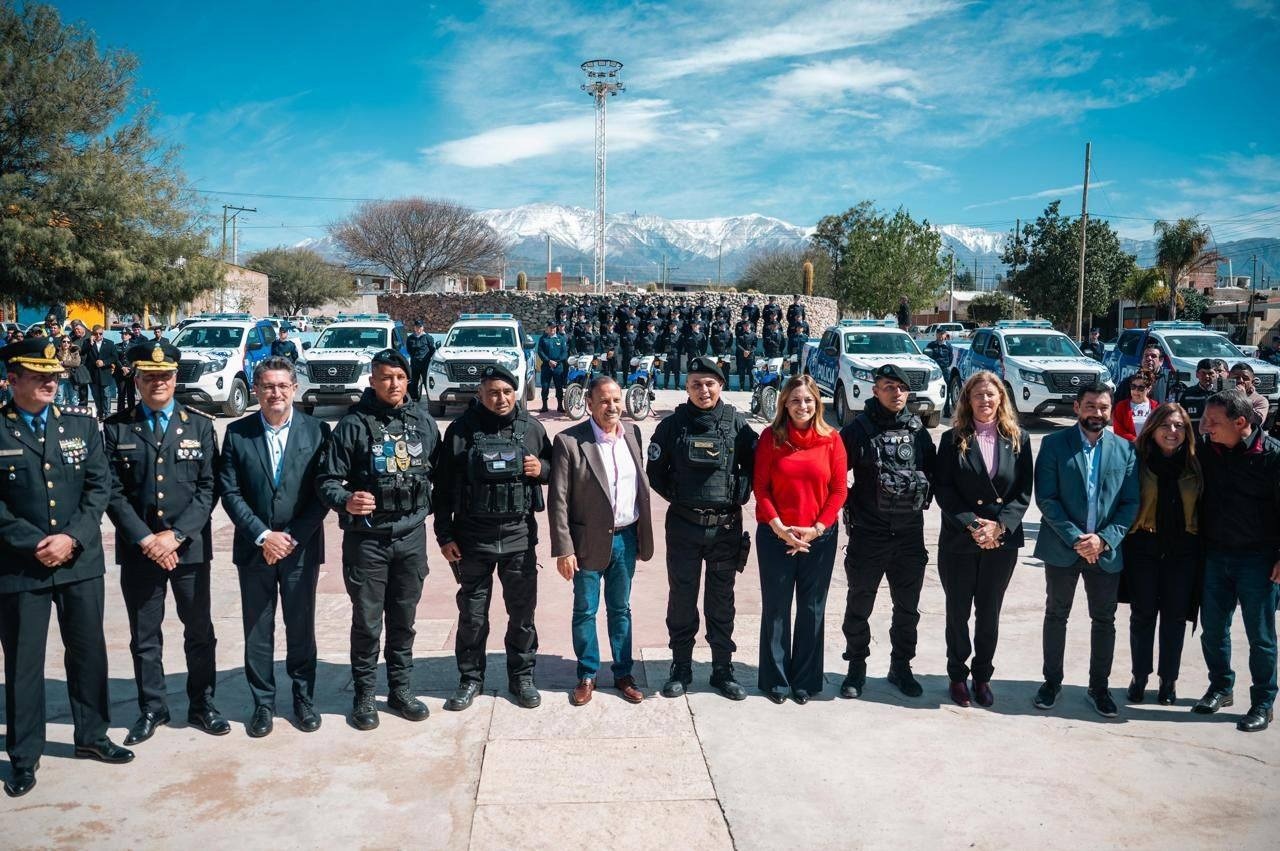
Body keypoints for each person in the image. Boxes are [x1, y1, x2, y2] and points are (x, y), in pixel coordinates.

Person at [0, 339, 132, 798]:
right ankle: (23, 755)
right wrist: (35, 543)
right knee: (23, 664)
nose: (51, 382)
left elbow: (99, 488)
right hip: (21, 567)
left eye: (53, 375)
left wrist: (71, 538)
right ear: (12, 379)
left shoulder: (80, 425)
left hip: (79, 560)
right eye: (39, 376)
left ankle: (92, 736)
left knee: (89, 651)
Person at [103, 340, 226, 745]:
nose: (158, 382)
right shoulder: (117, 427)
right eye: (149, 376)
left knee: (199, 630)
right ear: (136, 380)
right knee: (144, 634)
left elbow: (209, 489)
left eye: (165, 376)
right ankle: (152, 707)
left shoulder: (200, 425)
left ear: (176, 378)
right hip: (140, 551)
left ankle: (202, 703)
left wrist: (174, 536)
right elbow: (112, 492)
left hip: (188, 548)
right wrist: (146, 539)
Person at [316, 348, 442, 730]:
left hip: (410, 536)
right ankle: (365, 695)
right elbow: (327, 481)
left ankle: (401, 690)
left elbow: (439, 471)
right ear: (372, 381)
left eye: (399, 377)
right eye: (385, 377)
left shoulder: (422, 421)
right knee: (368, 622)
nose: (393, 384)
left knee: (404, 620)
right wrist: (347, 500)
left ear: (408, 380)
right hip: (367, 541)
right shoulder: (352, 425)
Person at [218, 357, 332, 737]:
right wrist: (264, 536)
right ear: (256, 390)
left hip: (300, 548)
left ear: (295, 388)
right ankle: (263, 704)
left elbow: (322, 493)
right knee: (258, 629)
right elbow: (230, 492)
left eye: (283, 386)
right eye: (268, 386)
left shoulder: (317, 431)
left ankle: (303, 699)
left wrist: (291, 537)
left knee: (300, 627)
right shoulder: (237, 433)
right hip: (255, 549)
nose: (276, 393)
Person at [434, 365, 552, 712]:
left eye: (506, 392)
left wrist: (540, 470)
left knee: (522, 614)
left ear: (516, 393)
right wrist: (444, 535)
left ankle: (522, 677)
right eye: (492, 393)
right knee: (472, 615)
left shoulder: (531, 429)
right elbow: (442, 488)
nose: (500, 399)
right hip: (472, 541)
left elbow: (556, 468)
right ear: (480, 395)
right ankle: (470, 679)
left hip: (518, 539)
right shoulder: (460, 431)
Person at [647, 358, 757, 701]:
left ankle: (722, 669)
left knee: (721, 600)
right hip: (683, 526)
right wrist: (680, 498)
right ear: (687, 387)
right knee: (681, 598)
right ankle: (681, 667)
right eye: (696, 384)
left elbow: (756, 466)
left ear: (721, 386)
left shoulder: (737, 425)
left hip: (724, 528)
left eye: (709, 383)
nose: (703, 390)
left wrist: (739, 493)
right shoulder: (673, 425)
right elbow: (655, 471)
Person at [1032, 383, 1138, 718]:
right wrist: (1078, 539)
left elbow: (1130, 503)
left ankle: (1099, 687)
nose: (1097, 413)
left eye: (1103, 407)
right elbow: (1046, 499)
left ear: (1111, 410)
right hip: (1063, 547)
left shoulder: (1125, 450)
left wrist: (1103, 540)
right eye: (1090, 406)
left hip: (1105, 551)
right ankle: (1052, 682)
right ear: (1077, 407)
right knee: (1056, 615)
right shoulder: (1053, 445)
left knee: (1104, 620)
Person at [549, 376, 654, 706]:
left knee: (621, 609)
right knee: (585, 610)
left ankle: (623, 673)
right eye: (604, 401)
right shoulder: (569, 441)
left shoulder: (633, 435)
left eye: (616, 400)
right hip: (586, 544)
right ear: (590, 404)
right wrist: (563, 548)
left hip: (626, 539)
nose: (612, 407)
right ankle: (587, 674)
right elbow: (559, 500)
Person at [933, 372, 1034, 707]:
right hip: (961, 540)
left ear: (1001, 398)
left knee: (989, 612)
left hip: (1001, 543)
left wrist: (999, 528)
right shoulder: (951, 439)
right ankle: (957, 676)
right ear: (968, 400)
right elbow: (943, 490)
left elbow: (1022, 493)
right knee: (957, 612)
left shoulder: (1018, 438)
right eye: (978, 395)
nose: (985, 401)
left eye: (991, 395)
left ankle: (982, 676)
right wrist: (975, 525)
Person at [839, 364, 937, 699]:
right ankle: (856, 668)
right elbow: (836, 477)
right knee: (859, 604)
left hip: (909, 536)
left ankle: (901, 667)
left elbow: (934, 475)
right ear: (875, 390)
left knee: (907, 608)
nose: (896, 393)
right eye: (888, 386)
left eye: (901, 388)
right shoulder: (858, 430)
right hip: (869, 535)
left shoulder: (918, 432)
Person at [753, 375, 846, 703]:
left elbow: (838, 490)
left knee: (811, 609)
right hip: (776, 535)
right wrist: (780, 527)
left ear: (817, 403)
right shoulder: (770, 438)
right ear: (784, 404)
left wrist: (817, 528)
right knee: (776, 608)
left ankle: (805, 680)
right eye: (795, 400)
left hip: (818, 538)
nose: (802, 406)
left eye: (808, 400)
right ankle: (776, 681)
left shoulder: (832, 440)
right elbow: (760, 488)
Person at [1195, 388, 1280, 732]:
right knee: (1213, 630)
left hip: (1259, 559)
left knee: (1260, 636)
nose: (1205, 427)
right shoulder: (1208, 451)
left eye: (1213, 422)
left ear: (1241, 422)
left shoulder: (1272, 456)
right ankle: (1221, 686)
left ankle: (1263, 701)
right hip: (1215, 555)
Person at [1121, 403, 1201, 707]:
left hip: (1183, 550)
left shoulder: (1195, 462)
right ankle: (1139, 676)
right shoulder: (1136, 460)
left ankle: (1169, 681)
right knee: (1142, 615)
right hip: (1144, 546)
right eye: (1166, 425)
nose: (1173, 431)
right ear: (1152, 428)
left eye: (1179, 426)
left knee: (1175, 617)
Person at [81, 324, 117, 421]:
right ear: (93, 334)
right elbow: (83, 353)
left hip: (105, 373)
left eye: (100, 334)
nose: (98, 336)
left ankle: (107, 413)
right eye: (96, 334)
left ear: (103, 333)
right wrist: (90, 343)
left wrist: (104, 362)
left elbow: (114, 357)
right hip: (93, 374)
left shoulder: (109, 343)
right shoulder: (87, 343)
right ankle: (100, 413)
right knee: (96, 395)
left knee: (106, 394)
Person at [1112, 369, 1159, 442]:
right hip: (1127, 448)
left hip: (1149, 448)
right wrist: (1136, 441)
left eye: (1141, 388)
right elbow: (1118, 430)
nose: (1136, 391)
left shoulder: (1156, 407)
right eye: (1133, 386)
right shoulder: (1121, 406)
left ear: (1149, 389)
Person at [1178, 358, 1219, 434]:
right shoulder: (1188, 393)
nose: (1207, 376)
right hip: (1194, 439)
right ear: (1197, 374)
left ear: (1217, 374)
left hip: (1217, 439)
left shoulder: (1222, 393)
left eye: (1210, 373)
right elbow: (1181, 418)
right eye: (1203, 373)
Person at [536, 319, 567, 413]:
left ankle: (560, 406)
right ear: (547, 328)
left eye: (554, 327)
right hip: (546, 366)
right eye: (551, 327)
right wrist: (548, 361)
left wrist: (556, 362)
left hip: (558, 367)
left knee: (559, 387)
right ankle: (544, 406)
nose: (553, 329)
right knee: (545, 386)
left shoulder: (561, 338)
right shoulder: (543, 338)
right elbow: (540, 352)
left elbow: (564, 353)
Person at [406, 319, 436, 402]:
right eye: (416, 327)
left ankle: (429, 398)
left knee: (426, 381)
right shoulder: (410, 338)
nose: (418, 329)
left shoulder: (428, 338)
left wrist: (427, 359)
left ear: (422, 328)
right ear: (414, 328)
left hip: (425, 364)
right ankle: (414, 398)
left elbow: (432, 349)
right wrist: (414, 357)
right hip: (415, 363)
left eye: (420, 327)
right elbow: (409, 349)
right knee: (414, 382)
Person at [115, 328, 136, 414]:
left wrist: (130, 368)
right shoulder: (117, 346)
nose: (123, 336)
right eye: (122, 334)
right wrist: (122, 367)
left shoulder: (134, 346)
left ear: (130, 336)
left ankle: (132, 411)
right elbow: (116, 359)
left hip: (130, 373)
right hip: (120, 373)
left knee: (130, 394)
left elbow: (135, 359)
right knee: (121, 393)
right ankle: (121, 412)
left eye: (126, 334)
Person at [735, 320, 758, 391]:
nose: (746, 327)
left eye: (747, 325)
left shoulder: (753, 334)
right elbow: (737, 344)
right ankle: (741, 387)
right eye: (745, 326)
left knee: (751, 372)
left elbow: (755, 346)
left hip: (750, 356)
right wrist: (744, 351)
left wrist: (749, 351)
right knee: (741, 372)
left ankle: (751, 387)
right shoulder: (740, 334)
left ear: (750, 326)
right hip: (742, 355)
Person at [659, 319, 682, 389]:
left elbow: (682, 345)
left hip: (676, 355)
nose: (672, 327)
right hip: (667, 355)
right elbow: (662, 345)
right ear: (669, 327)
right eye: (671, 326)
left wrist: (679, 353)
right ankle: (665, 386)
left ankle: (677, 386)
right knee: (667, 371)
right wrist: (663, 354)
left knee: (676, 371)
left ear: (676, 327)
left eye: (673, 326)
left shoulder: (680, 335)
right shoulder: (665, 335)